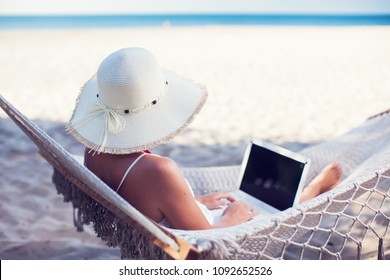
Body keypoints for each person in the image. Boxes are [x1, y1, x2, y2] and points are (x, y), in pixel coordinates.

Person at [67, 47, 342, 230]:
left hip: (171, 220)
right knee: (278, 213)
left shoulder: (95, 148)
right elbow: (207, 244)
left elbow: (144, 201)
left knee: (239, 201)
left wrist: (195, 202)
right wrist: (231, 219)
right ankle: (312, 191)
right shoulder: (160, 170)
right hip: (202, 235)